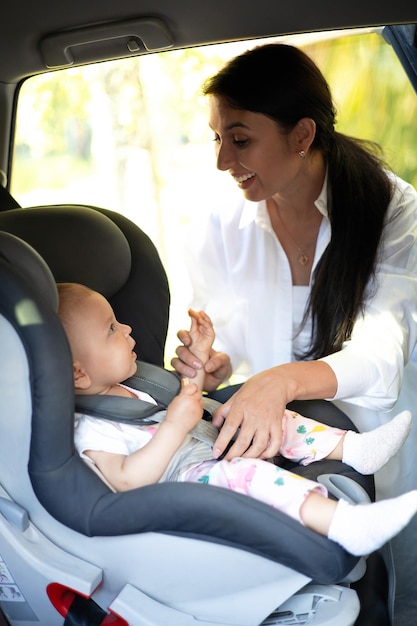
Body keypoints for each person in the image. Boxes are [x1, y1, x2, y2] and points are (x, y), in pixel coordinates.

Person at [171, 43, 417, 470]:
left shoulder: (393, 212)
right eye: (217, 137)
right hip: (276, 456)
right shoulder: (220, 225)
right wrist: (215, 362)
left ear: (302, 135)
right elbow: (228, 332)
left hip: (381, 456)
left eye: (240, 139)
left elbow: (381, 361)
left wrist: (281, 381)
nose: (222, 161)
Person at [57, 281, 417, 557]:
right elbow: (126, 481)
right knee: (249, 476)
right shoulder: (89, 429)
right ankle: (344, 523)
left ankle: (354, 449)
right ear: (78, 375)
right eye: (110, 330)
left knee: (272, 415)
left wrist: (197, 360)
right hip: (183, 485)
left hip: (201, 444)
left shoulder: (129, 386)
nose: (127, 329)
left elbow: (188, 402)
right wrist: (174, 427)